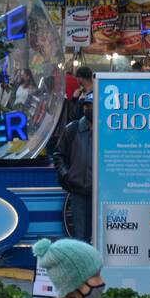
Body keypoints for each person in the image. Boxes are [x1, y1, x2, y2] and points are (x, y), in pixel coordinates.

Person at [53, 93, 95, 240]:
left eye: (92, 106)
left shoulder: (107, 131)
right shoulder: (72, 129)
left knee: (101, 237)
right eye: (87, 106)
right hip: (78, 193)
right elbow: (58, 155)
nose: (89, 109)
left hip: (101, 194)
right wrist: (67, 175)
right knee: (80, 238)